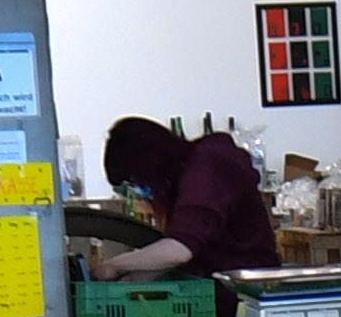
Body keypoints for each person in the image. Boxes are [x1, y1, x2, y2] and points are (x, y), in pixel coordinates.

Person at [89, 114, 272, 278]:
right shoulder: (186, 176)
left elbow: (179, 250)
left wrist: (114, 265)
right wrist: (131, 281)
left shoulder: (206, 169)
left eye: (135, 180)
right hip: (219, 284)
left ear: (147, 164)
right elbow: (174, 255)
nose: (139, 190)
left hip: (245, 290)